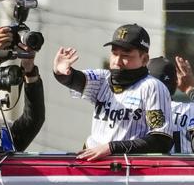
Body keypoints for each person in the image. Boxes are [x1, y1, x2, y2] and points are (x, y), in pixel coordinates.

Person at [53, 23, 173, 160]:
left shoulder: (152, 87)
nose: (117, 61)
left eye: (126, 55)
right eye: (114, 53)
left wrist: (112, 147)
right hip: (92, 162)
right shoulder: (103, 78)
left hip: (129, 169)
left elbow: (161, 140)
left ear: (144, 59)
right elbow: (73, 78)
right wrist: (61, 72)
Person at [148, 55, 194, 154]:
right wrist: (190, 89)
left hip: (153, 168)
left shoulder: (138, 112)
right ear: (175, 84)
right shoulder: (192, 110)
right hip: (188, 168)